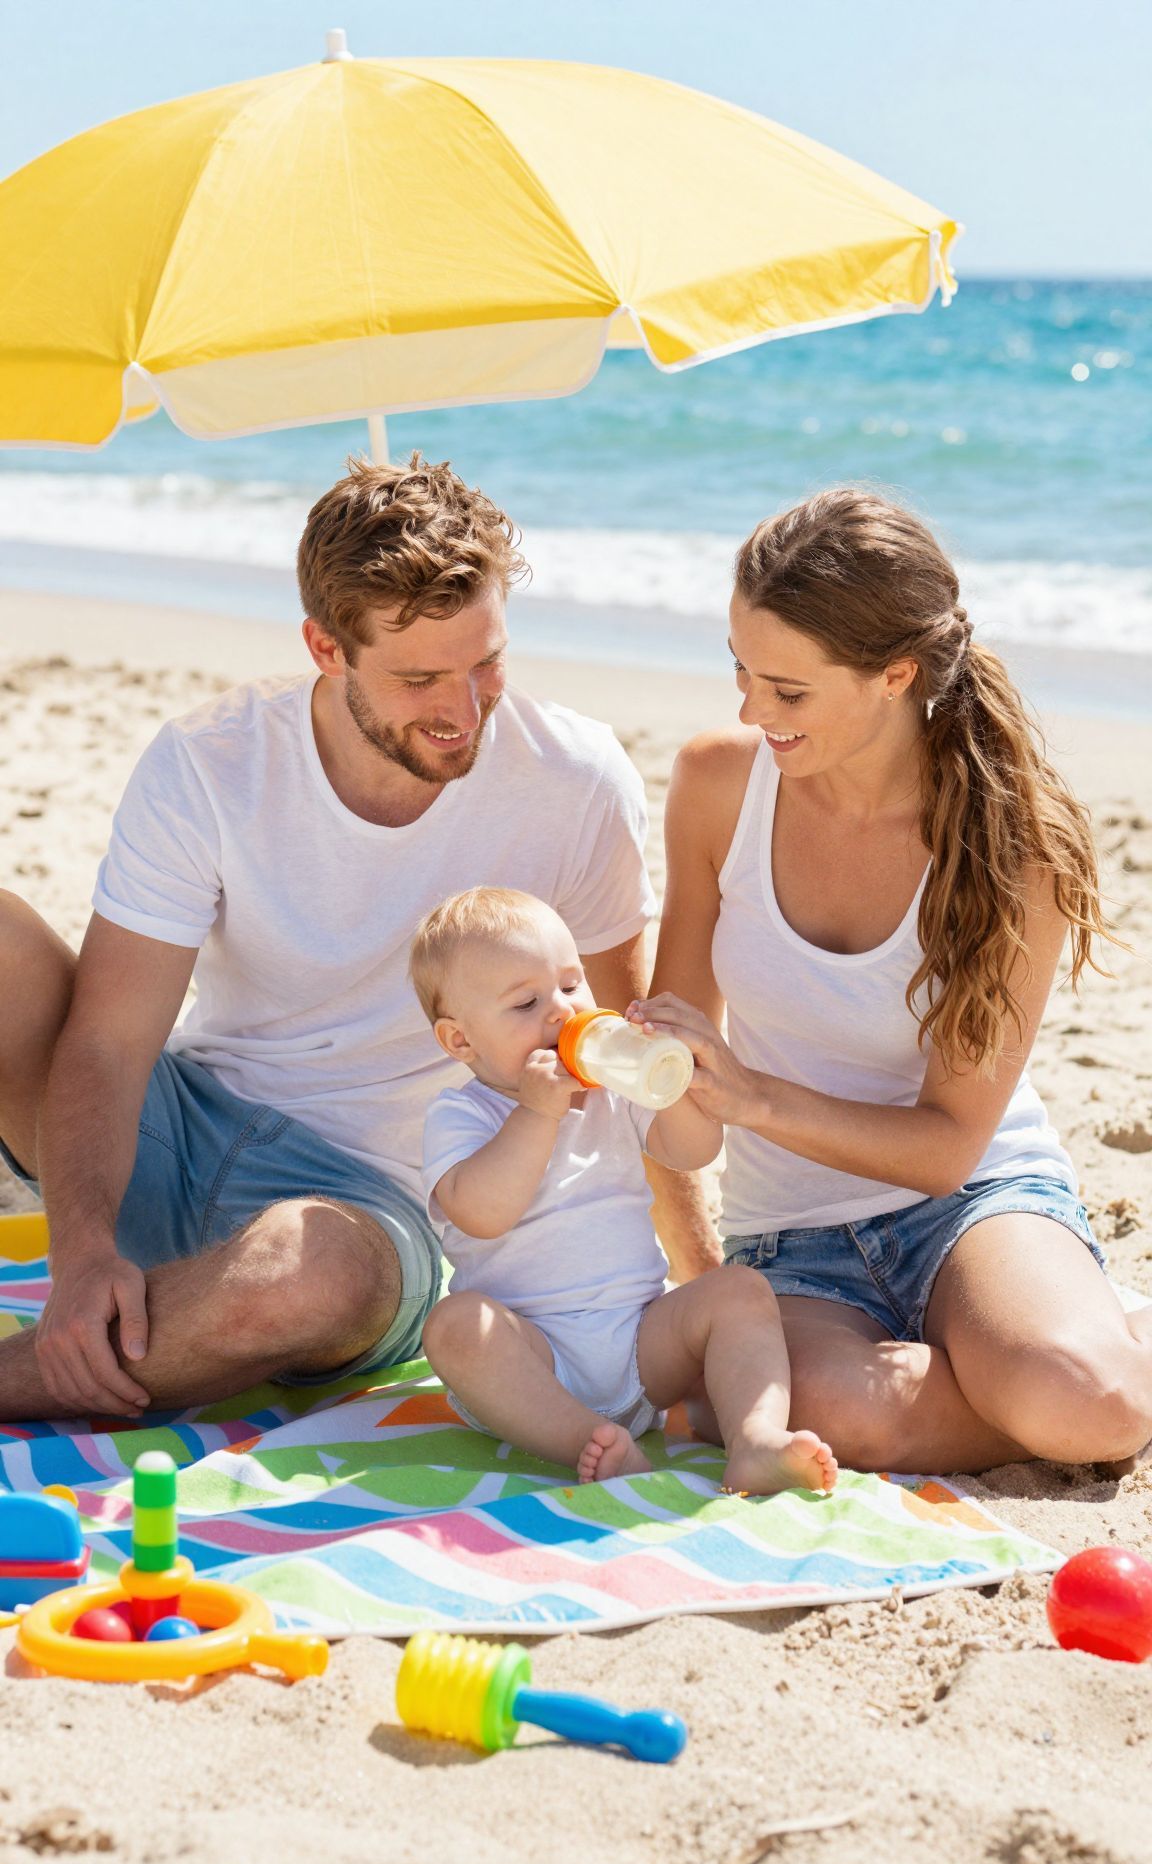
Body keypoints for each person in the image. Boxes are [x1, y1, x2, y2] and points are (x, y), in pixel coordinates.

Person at [0, 455, 703, 1420]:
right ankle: (150, 1322)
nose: (464, 711)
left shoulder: (575, 781)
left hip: (372, 1212)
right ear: (325, 649)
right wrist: (80, 1255)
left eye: (486, 662)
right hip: (184, 1125)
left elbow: (618, 1059)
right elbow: (110, 1040)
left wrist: (693, 1286)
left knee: (307, 1272)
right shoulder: (213, 760)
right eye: (419, 678)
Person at [630, 486, 1152, 1475]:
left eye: (787, 691)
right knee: (831, 1417)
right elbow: (683, 1087)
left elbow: (949, 1146)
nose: (751, 710)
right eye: (738, 671)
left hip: (972, 1203)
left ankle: (1067, 1347)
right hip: (792, 1238)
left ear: (894, 675)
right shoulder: (715, 784)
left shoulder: (1016, 845)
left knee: (1093, 1408)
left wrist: (754, 1095)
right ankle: (1029, 1355)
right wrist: (670, 1089)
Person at [412, 886, 837, 1492]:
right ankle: (585, 1440)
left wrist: (671, 1077)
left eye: (569, 983)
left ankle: (756, 1438)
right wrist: (537, 1113)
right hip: (533, 1365)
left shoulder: (613, 1091)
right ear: (461, 1041)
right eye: (527, 1002)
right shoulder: (460, 1116)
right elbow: (482, 1213)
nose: (561, 1011)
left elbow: (695, 1151)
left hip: (641, 1346)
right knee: (455, 1326)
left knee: (739, 1289)